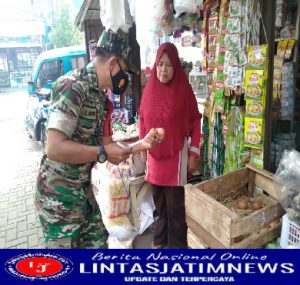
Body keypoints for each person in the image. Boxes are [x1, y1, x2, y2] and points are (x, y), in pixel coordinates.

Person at [35, 30, 163, 249]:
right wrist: (102, 153)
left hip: (83, 197)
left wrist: (140, 145)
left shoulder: (101, 100)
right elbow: (54, 147)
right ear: (112, 63)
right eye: (125, 71)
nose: (127, 78)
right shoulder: (73, 87)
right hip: (59, 200)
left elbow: (108, 148)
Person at [139, 42, 202, 249]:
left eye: (168, 65)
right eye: (160, 64)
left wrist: (194, 153)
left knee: (175, 205)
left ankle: (177, 247)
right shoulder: (149, 91)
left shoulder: (184, 91)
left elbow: (195, 121)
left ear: (175, 66)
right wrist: (142, 148)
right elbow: (142, 120)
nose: (163, 69)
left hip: (176, 155)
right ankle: (160, 240)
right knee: (159, 202)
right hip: (154, 158)